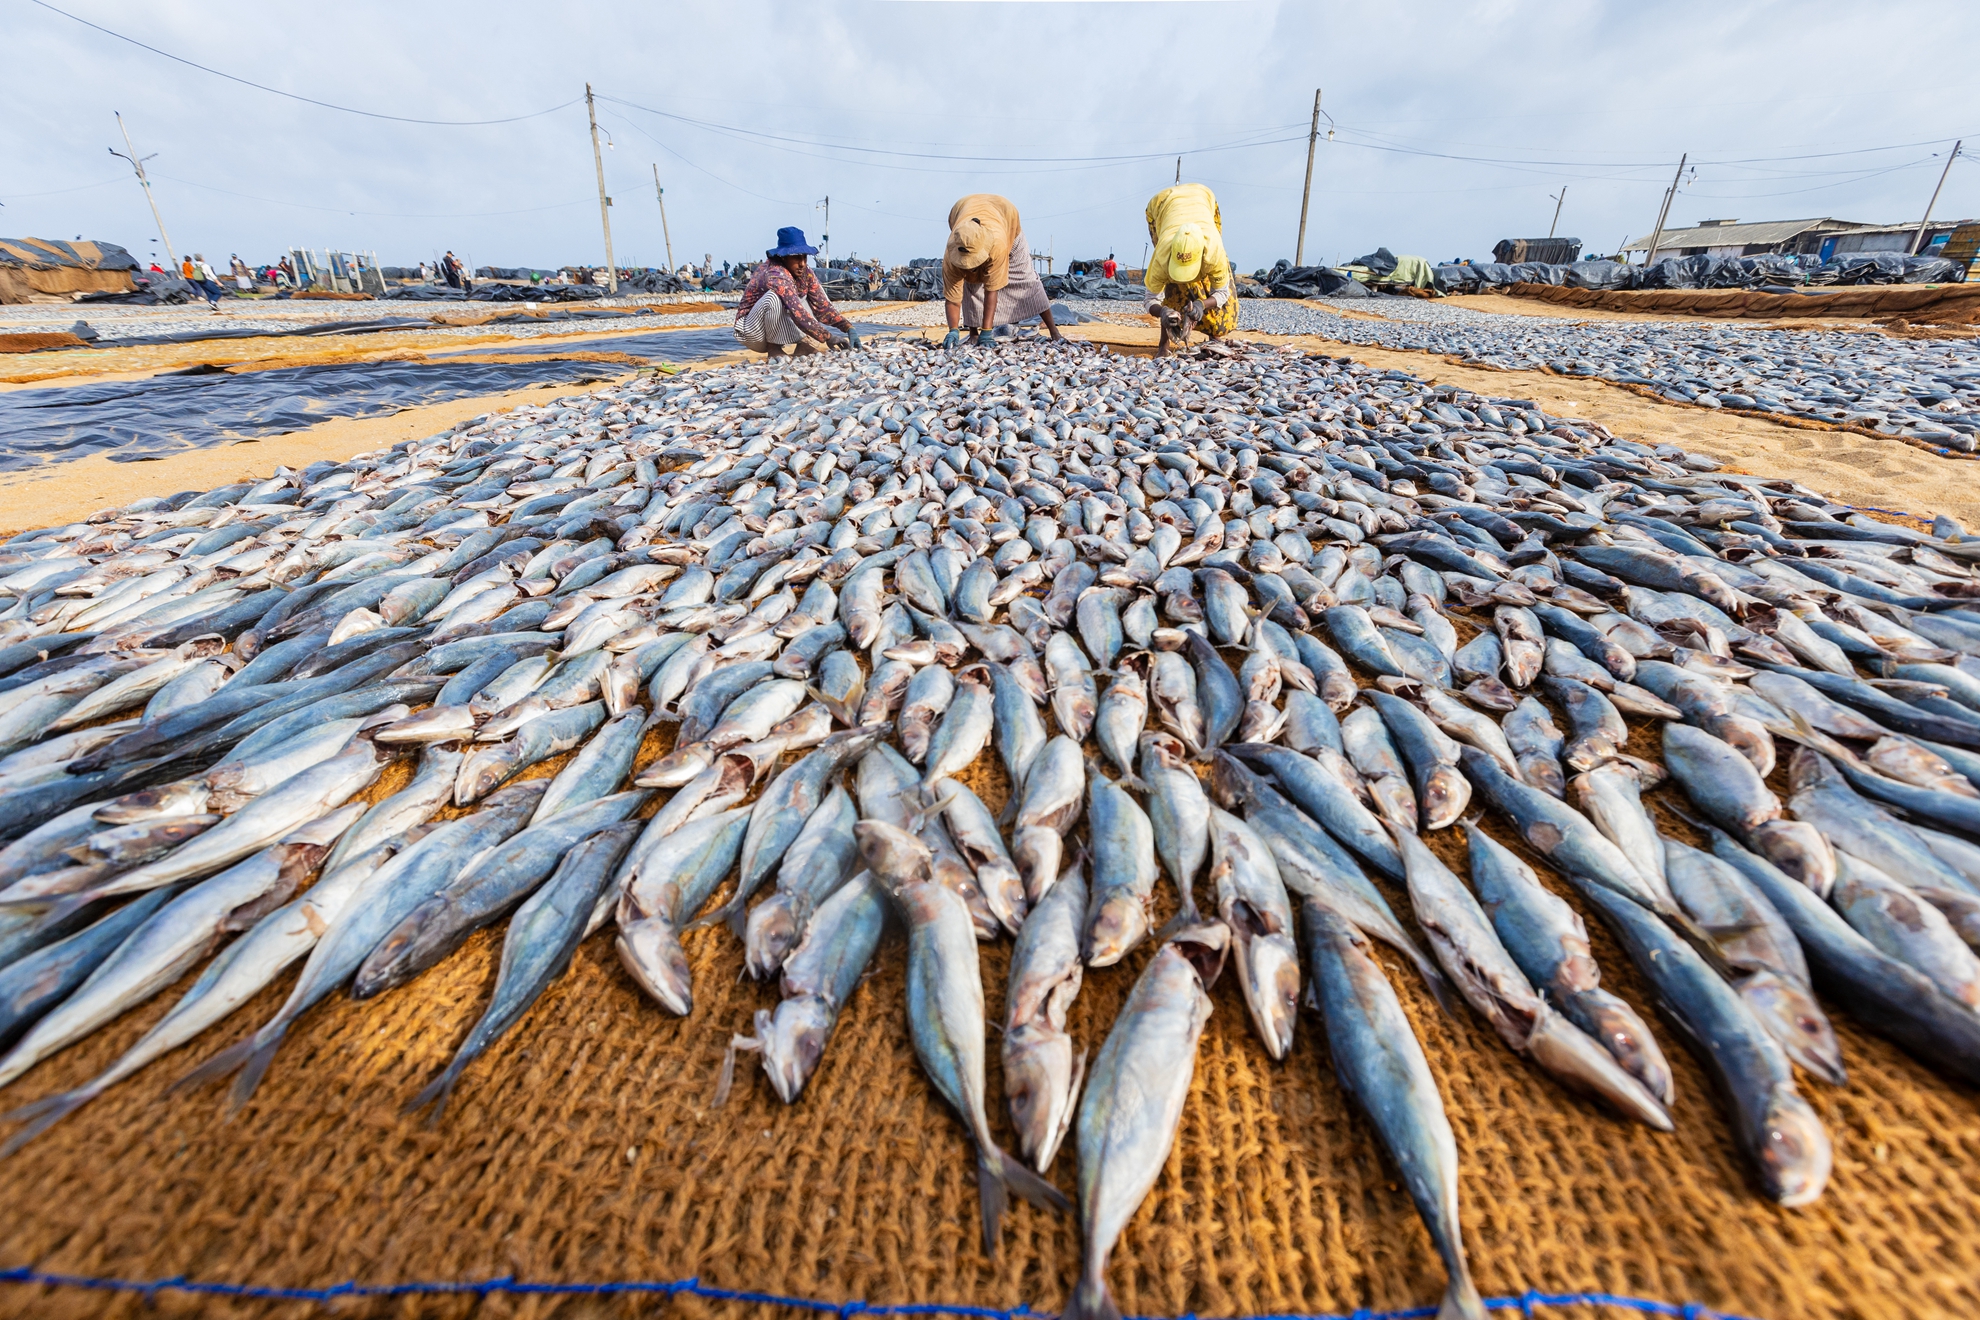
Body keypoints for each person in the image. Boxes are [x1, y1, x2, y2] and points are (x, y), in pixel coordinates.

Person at [941, 194, 1060, 348]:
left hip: (1006, 219)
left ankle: (1054, 331)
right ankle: (973, 334)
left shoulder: (997, 245)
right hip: (964, 210)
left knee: (1026, 279)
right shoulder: (952, 254)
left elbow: (992, 290)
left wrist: (987, 331)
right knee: (971, 286)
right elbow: (952, 297)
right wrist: (953, 330)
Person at [734, 227, 858, 357]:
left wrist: (848, 327)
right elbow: (796, 312)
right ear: (783, 257)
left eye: (804, 257)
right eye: (796, 258)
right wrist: (828, 337)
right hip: (752, 331)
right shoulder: (775, 273)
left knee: (808, 296)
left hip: (778, 326)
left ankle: (804, 345)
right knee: (774, 297)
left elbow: (821, 304)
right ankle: (773, 348)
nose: (802, 264)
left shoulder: (805, 272)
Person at [1143, 182, 1237, 354]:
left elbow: (1222, 292)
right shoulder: (1161, 257)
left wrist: (1201, 305)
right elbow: (1150, 298)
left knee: (1220, 298)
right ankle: (1164, 344)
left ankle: (1214, 338)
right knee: (1173, 288)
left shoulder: (1214, 252)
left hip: (1203, 197)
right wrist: (1163, 311)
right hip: (1161, 204)